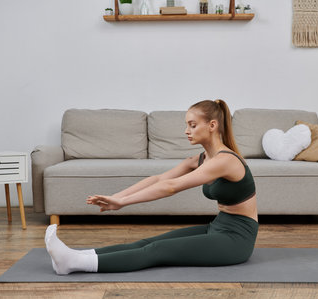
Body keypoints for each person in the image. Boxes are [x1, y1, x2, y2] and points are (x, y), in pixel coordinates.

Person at [45, 99, 258, 274]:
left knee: (157, 250)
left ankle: (75, 264)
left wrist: (124, 202)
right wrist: (116, 198)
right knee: (146, 242)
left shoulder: (225, 161)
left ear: (212, 125)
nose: (186, 131)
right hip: (218, 227)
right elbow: (158, 179)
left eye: (192, 125)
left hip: (237, 240)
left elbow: (172, 186)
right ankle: (77, 256)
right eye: (187, 125)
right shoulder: (200, 158)